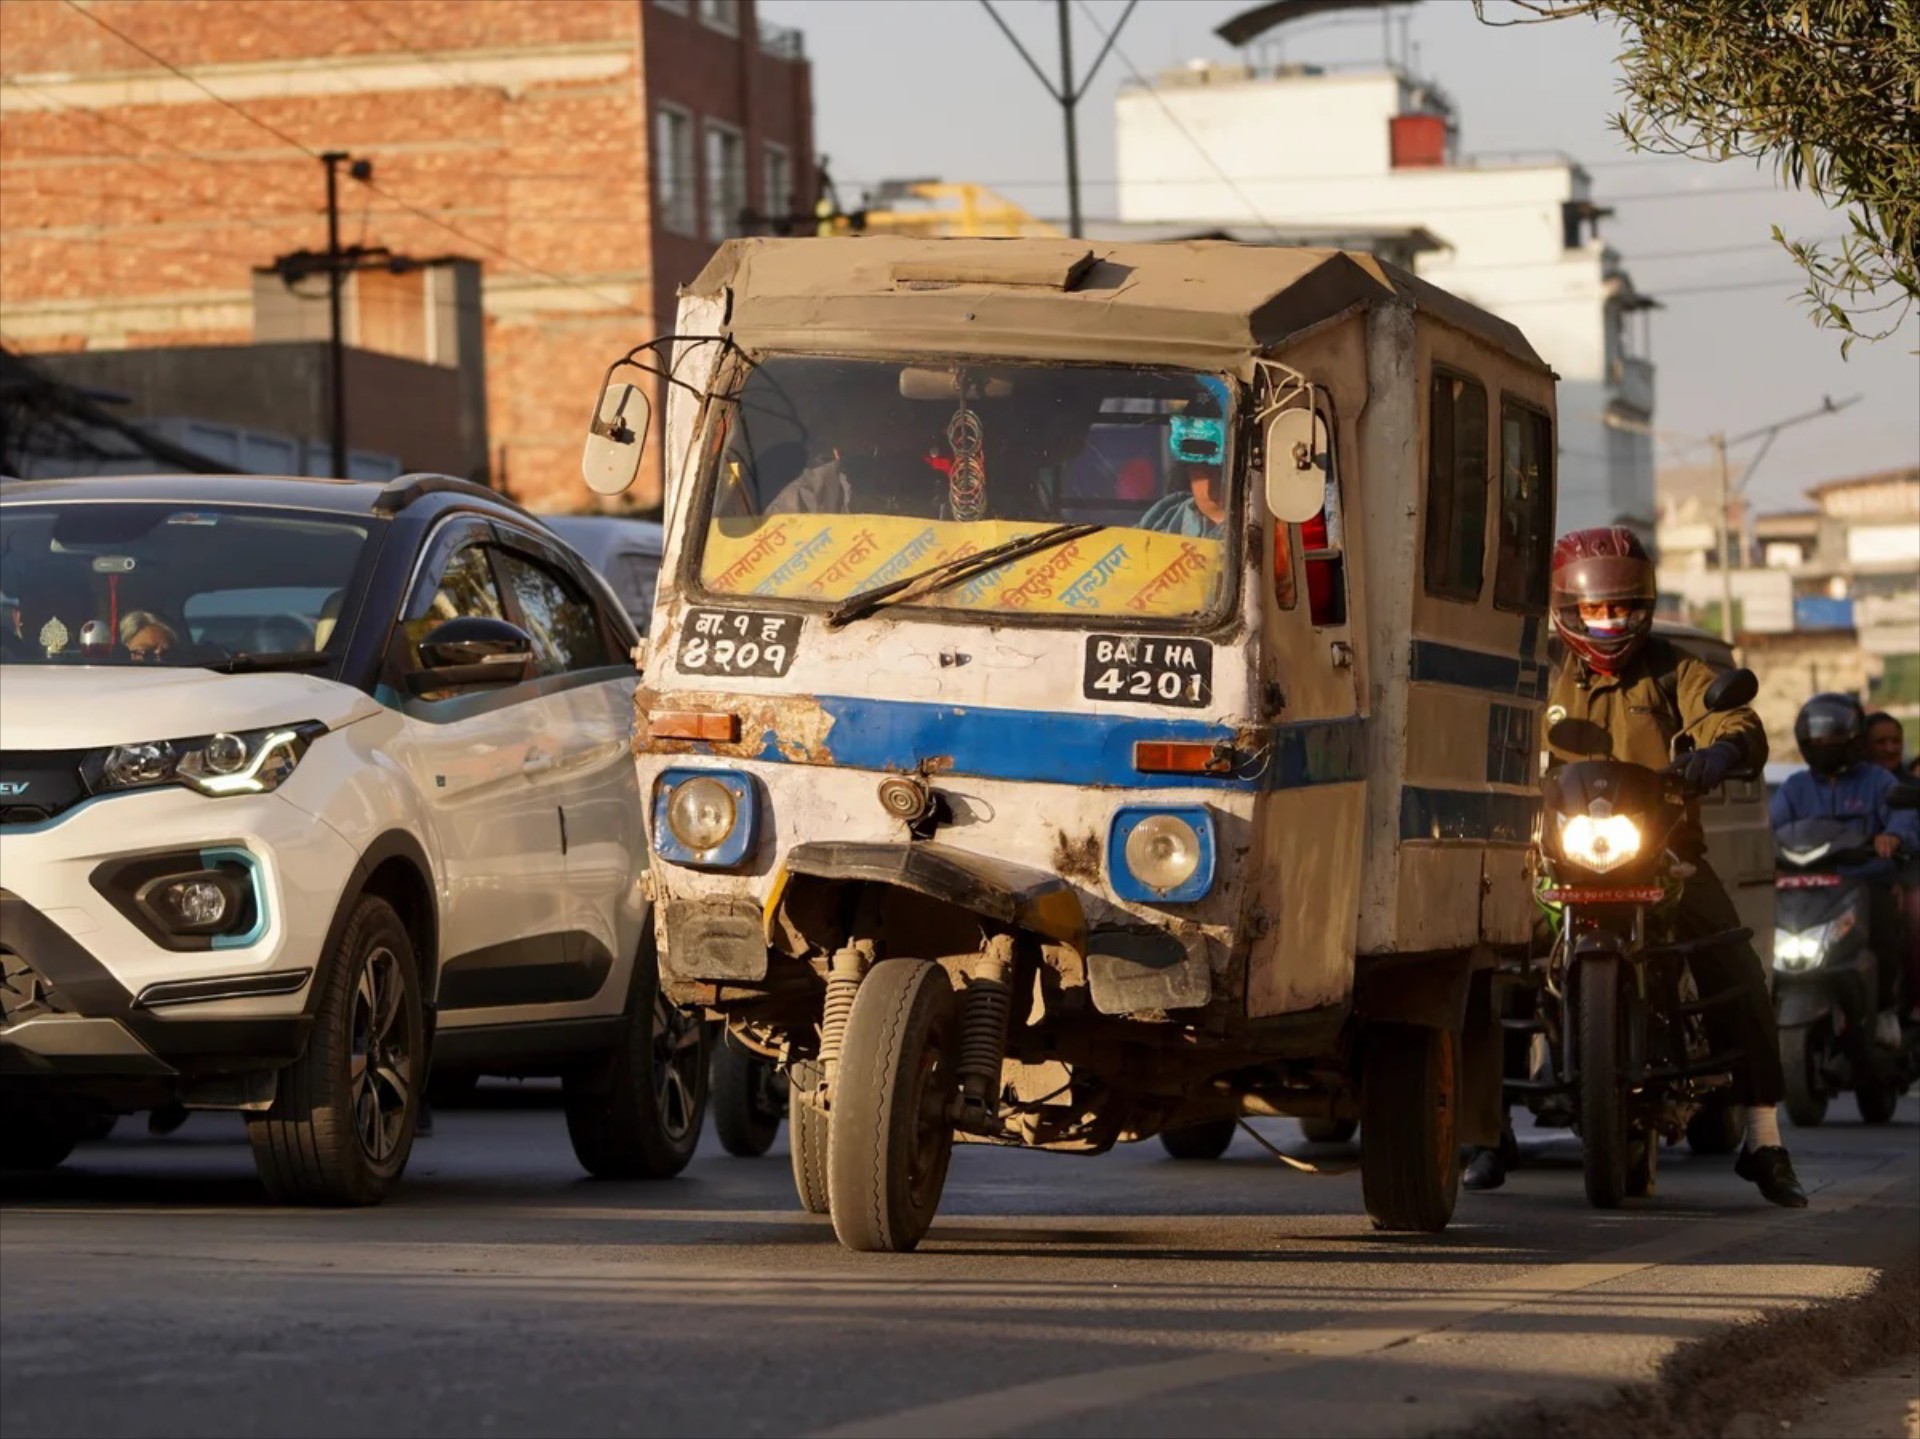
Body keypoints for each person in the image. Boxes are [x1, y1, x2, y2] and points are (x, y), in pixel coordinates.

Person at [1465, 526, 1806, 1207]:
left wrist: (1721, 751)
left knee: (1735, 966)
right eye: (1597, 610)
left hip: (1668, 852)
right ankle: (1483, 1128)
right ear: (1569, 609)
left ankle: (1764, 1137)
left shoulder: (1675, 669)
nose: (1611, 621)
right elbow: (1490, 724)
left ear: (1643, 606)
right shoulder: (1540, 672)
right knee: (1489, 964)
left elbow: (1735, 719)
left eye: (1623, 608)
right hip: (1558, 858)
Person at [1770, 694, 1918, 1049]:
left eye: (1833, 737)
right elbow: (1772, 829)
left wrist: (1892, 837)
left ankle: (1883, 1009)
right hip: (1808, 889)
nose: (1825, 744)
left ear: (1852, 738)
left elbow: (1903, 818)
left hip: (1865, 883)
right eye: (1817, 738)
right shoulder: (1794, 788)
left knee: (1883, 932)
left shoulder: (1879, 782)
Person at [1141, 379, 1230, 538]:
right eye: (1199, 467)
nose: (1210, 483)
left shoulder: (1274, 531)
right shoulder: (1162, 522)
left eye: (1221, 467)